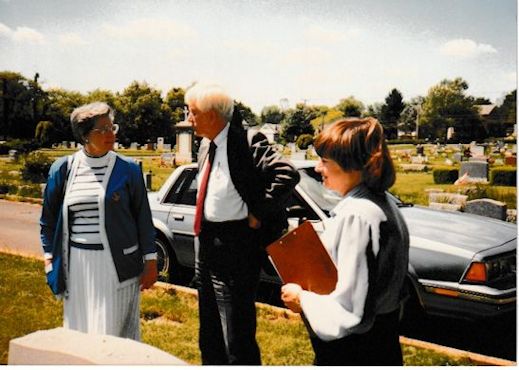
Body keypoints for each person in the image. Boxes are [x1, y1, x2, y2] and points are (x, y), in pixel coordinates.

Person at [281, 117, 410, 365]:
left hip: (354, 352)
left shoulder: (358, 216)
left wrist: (301, 298)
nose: (318, 168)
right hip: (383, 343)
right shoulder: (383, 205)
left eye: (325, 161)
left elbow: (351, 312)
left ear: (353, 166)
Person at [185, 83, 299, 365]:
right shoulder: (204, 146)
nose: (189, 118)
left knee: (236, 330)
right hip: (206, 242)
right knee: (209, 329)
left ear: (212, 115)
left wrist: (258, 211)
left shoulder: (247, 141)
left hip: (236, 246)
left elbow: (286, 174)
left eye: (193, 112)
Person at [40, 102, 157, 340]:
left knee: (110, 338)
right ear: (84, 136)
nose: (110, 134)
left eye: (111, 127)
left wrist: (151, 260)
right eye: (101, 130)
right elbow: (48, 220)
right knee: (79, 335)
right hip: (76, 266)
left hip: (116, 266)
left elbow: (143, 218)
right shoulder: (63, 169)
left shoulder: (128, 169)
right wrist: (49, 260)